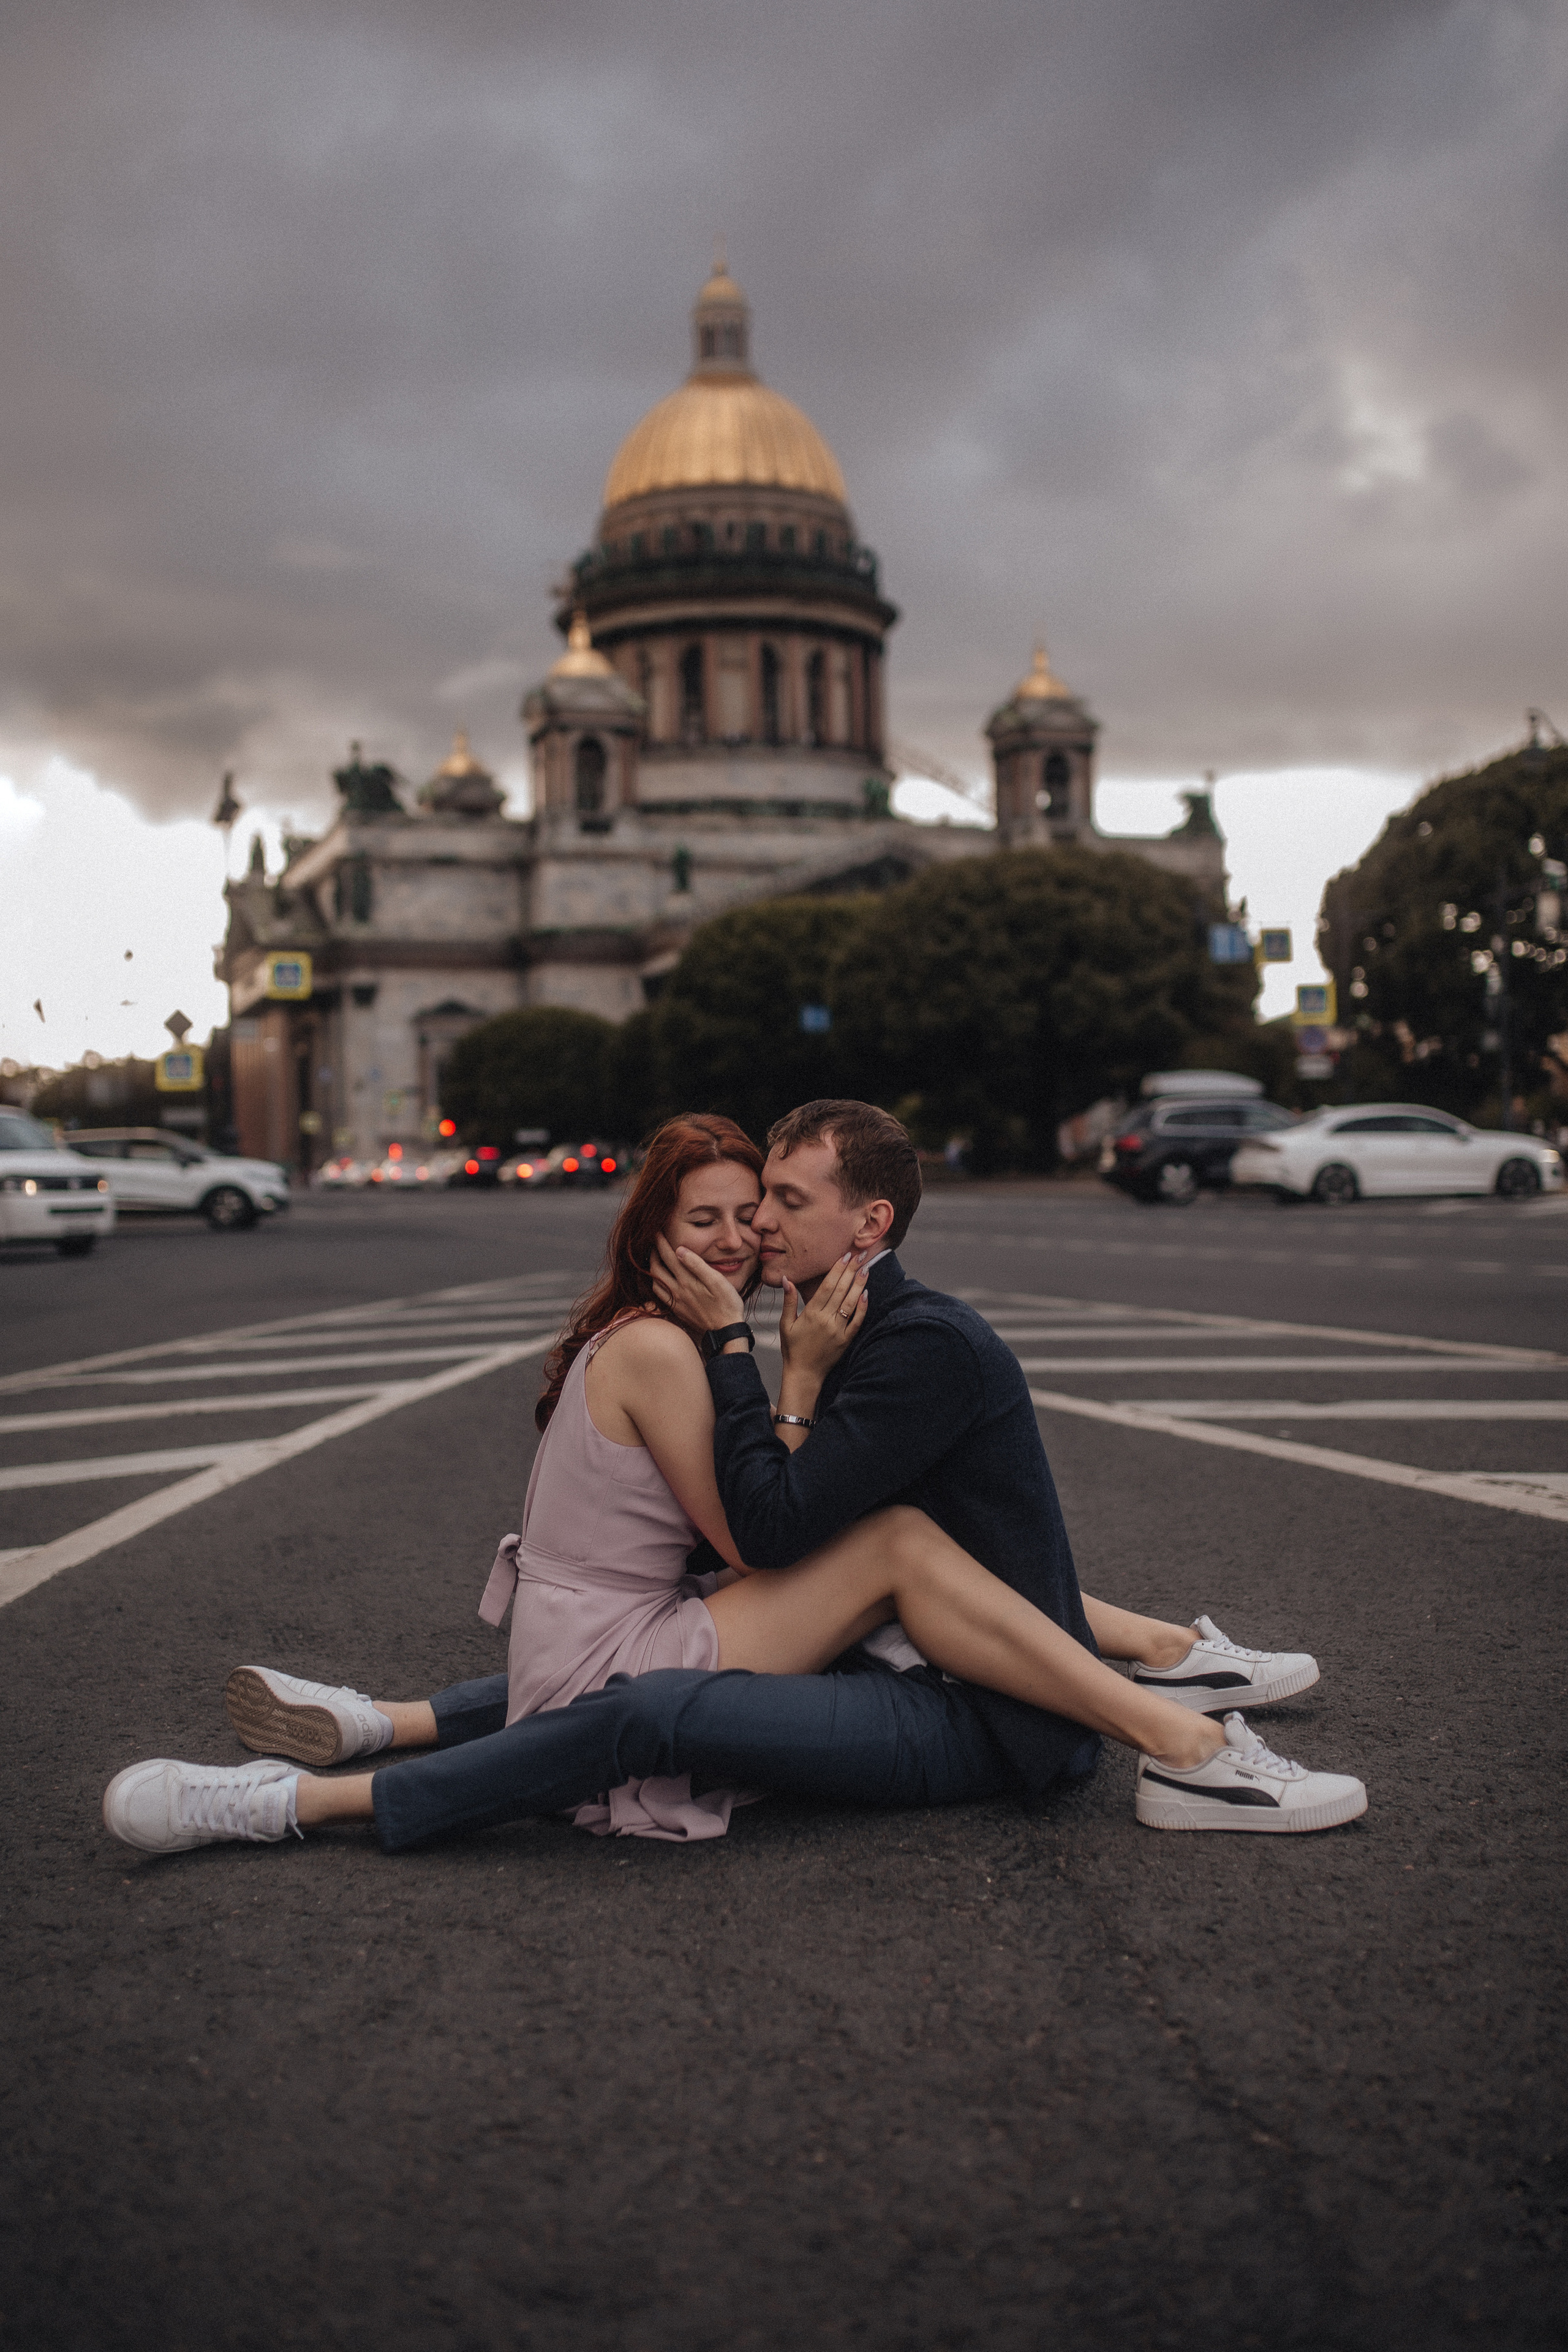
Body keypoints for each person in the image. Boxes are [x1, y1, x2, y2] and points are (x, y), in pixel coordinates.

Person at [102, 1109, 1365, 1856]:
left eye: (769, 1205)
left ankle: (315, 1784)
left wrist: (756, 1363)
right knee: (846, 1566)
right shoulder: (753, 1337)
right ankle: (1175, 1705)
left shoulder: (886, 1340)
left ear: (864, 1225)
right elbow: (773, 1539)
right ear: (655, 1230)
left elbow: (769, 1532)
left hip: (924, 1695)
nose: (750, 1232)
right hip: (785, 1654)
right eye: (725, 1212)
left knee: (784, 1610)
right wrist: (776, 1370)